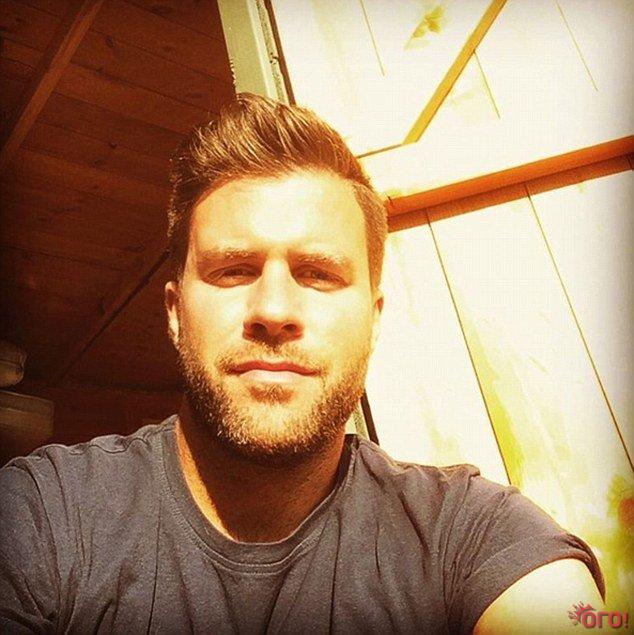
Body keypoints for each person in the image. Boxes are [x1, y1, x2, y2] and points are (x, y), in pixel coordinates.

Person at [1, 94, 604, 634]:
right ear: (176, 313)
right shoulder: (39, 516)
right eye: (233, 270)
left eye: (318, 274)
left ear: (374, 319)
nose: (274, 310)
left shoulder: (476, 535)